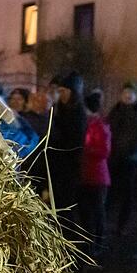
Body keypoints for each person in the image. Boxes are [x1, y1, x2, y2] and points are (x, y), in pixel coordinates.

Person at [107, 82, 137, 235]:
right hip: (114, 156)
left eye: (131, 92)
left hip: (131, 158)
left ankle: (123, 224)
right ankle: (110, 222)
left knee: (127, 192)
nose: (127, 95)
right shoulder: (115, 110)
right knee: (112, 190)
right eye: (125, 92)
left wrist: (135, 148)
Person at [49, 72, 87, 223]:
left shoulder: (77, 113)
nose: (61, 95)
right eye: (60, 91)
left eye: (64, 91)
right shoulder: (59, 110)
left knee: (66, 208)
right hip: (56, 165)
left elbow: (73, 141)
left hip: (69, 167)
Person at [80, 90, 111, 257]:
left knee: (98, 211)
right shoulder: (91, 125)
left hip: (97, 175)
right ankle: (90, 242)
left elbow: (104, 151)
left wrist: (85, 150)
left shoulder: (99, 126)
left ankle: (98, 242)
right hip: (87, 175)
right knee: (89, 211)